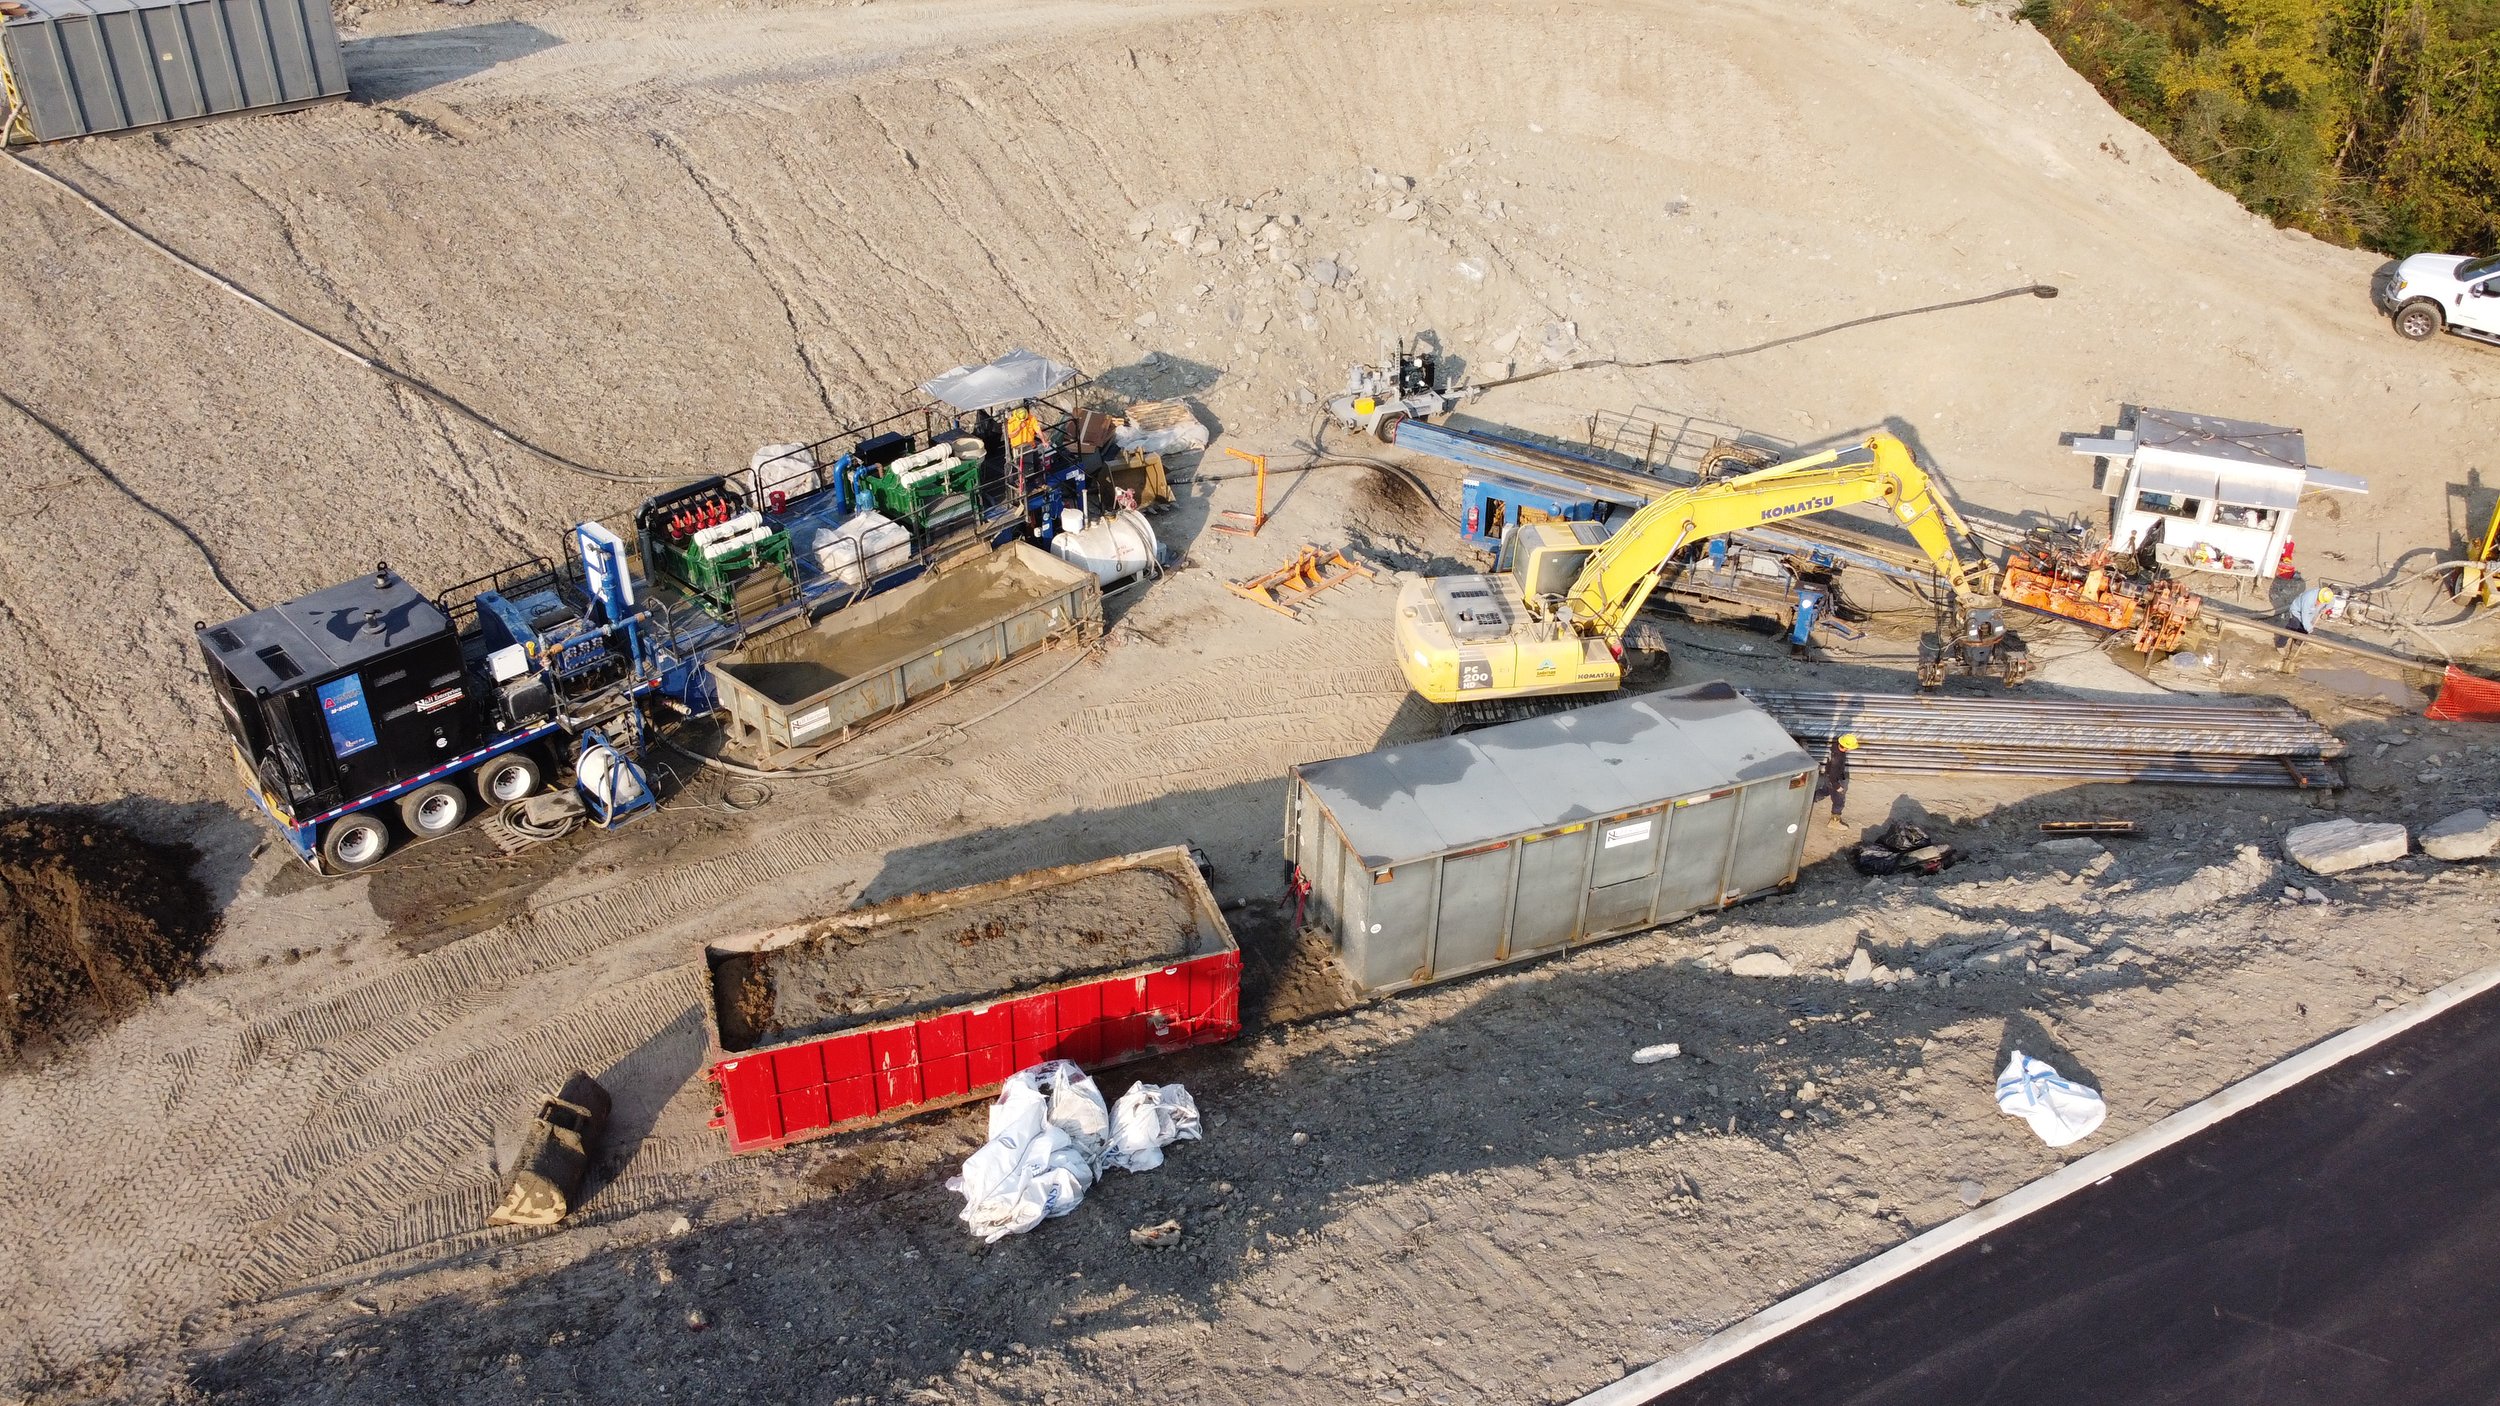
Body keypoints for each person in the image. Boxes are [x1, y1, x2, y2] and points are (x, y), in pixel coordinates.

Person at [1819, 733, 1859, 829]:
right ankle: (1834, 822)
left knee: (1825, 791)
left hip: (1827, 775)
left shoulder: (1835, 747)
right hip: (1833, 780)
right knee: (1839, 801)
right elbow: (1833, 776)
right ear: (1846, 747)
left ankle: (1807, 800)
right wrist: (1838, 787)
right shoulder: (1837, 758)